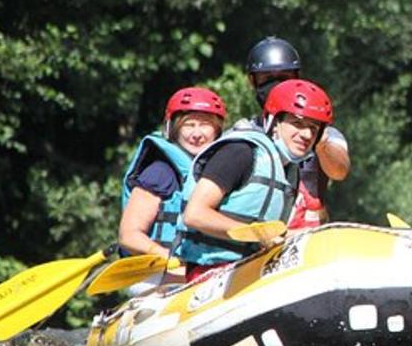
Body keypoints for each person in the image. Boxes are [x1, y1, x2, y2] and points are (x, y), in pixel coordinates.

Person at [174, 79, 334, 280]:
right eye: (298, 123)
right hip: (209, 271)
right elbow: (195, 214)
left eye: (314, 127)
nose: (307, 134)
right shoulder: (241, 153)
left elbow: (272, 235)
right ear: (274, 123)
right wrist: (255, 234)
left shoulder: (289, 169)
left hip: (251, 269)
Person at [237, 36, 350, 230]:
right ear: (252, 81)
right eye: (267, 78)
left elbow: (339, 171)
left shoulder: (319, 132)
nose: (276, 84)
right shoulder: (244, 133)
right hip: (262, 239)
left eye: (284, 76)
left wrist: (321, 144)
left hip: (309, 236)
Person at [119, 87, 227, 260]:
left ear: (217, 131)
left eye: (205, 125)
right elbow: (129, 236)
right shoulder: (160, 172)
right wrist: (170, 259)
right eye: (189, 125)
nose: (197, 134)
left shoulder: (218, 171)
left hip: (195, 269)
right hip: (156, 273)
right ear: (173, 129)